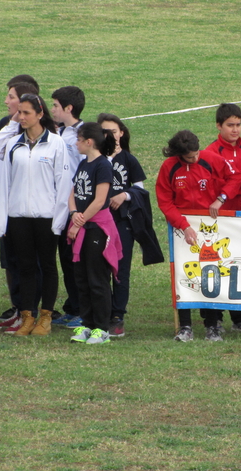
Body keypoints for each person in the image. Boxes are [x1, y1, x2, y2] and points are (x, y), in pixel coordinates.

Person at [0, 94, 72, 337]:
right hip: (18, 217)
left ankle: (46, 317)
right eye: (20, 113)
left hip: (46, 216)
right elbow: (4, 183)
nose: (22, 117)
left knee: (48, 265)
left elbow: (64, 184)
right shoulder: (13, 145)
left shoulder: (56, 143)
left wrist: (59, 220)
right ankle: (27, 316)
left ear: (40, 114)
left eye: (27, 112)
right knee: (25, 267)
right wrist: (3, 220)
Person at [156, 130, 241, 343]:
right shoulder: (169, 168)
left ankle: (212, 326)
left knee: (208, 274)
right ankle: (185, 327)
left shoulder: (211, 159)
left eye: (196, 154)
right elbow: (165, 201)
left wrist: (221, 199)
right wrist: (184, 226)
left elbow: (236, 176)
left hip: (208, 228)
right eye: (190, 157)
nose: (195, 159)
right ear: (179, 154)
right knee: (183, 277)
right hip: (181, 229)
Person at [66, 123, 123, 345]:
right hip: (82, 225)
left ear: (89, 142)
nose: (75, 143)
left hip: (96, 228)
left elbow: (100, 200)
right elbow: (73, 192)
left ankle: (102, 328)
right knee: (82, 278)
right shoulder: (83, 164)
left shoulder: (103, 166)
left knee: (97, 278)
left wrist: (79, 222)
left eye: (78, 139)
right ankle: (87, 324)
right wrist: (73, 213)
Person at [204, 103, 241, 333]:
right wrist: (237, 180)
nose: (235, 130)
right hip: (219, 217)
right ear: (219, 125)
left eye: (238, 124)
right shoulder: (210, 152)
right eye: (230, 125)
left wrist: (237, 177)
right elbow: (215, 183)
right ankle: (214, 319)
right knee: (214, 264)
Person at [0, 81, 41, 331]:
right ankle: (19, 307)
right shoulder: (8, 128)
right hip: (6, 204)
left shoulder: (43, 139)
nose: (6, 102)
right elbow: (0, 149)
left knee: (29, 262)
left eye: (11, 97)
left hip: (30, 209)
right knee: (10, 260)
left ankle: (32, 310)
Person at [98, 113, 148, 338]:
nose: (109, 135)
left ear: (122, 133)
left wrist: (125, 195)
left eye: (113, 131)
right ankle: (100, 313)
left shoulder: (129, 160)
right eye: (104, 132)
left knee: (120, 270)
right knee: (99, 269)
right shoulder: (97, 160)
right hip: (97, 222)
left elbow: (141, 192)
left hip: (122, 223)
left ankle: (117, 316)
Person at [51, 86, 86, 329]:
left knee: (77, 261)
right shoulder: (59, 133)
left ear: (68, 108)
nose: (52, 109)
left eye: (55, 105)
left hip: (76, 206)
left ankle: (83, 309)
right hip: (59, 206)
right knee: (65, 259)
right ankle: (72, 307)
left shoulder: (80, 136)